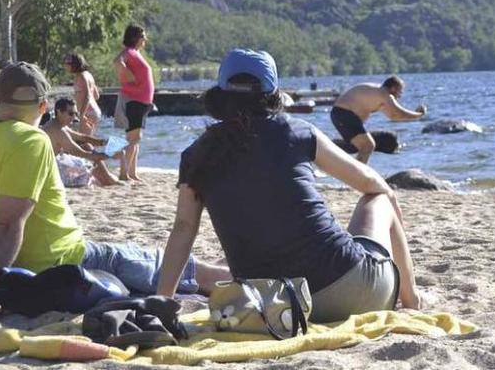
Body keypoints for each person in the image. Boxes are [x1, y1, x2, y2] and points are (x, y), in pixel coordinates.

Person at [156, 49, 426, 323]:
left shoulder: (196, 155)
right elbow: (369, 182)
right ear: (273, 92)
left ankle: (409, 296)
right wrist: (391, 202)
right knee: (380, 198)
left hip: (275, 304)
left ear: (221, 92)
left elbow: (183, 229)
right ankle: (412, 299)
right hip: (351, 292)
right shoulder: (295, 131)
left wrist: (161, 303)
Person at [0, 62, 230, 294]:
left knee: (145, 258)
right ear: (44, 107)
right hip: (65, 262)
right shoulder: (32, 140)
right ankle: (228, 276)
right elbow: (8, 225)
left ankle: (217, 270)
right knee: (153, 262)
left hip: (9, 268)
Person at [331, 77, 426, 164]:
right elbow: (398, 113)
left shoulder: (378, 94)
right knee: (368, 145)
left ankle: (344, 167)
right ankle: (356, 176)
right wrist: (419, 115)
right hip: (344, 114)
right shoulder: (385, 95)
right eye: (400, 92)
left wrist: (416, 115)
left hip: (341, 114)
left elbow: (393, 116)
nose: (399, 96)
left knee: (360, 146)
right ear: (393, 88)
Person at [42, 97, 120, 187]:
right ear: (59, 112)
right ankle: (107, 179)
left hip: (56, 161)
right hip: (52, 170)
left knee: (88, 146)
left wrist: (104, 142)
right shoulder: (58, 130)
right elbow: (84, 154)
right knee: (90, 163)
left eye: (75, 114)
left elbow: (83, 137)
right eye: (70, 113)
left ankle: (107, 178)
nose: (74, 117)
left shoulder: (57, 124)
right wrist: (111, 155)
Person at [113, 25, 154, 182]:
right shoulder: (129, 52)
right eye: (142, 36)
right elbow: (117, 61)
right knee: (132, 138)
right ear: (135, 38)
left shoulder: (136, 53)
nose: (145, 39)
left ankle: (132, 172)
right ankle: (124, 174)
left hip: (141, 101)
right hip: (134, 100)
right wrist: (127, 76)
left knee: (136, 138)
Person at [63, 53, 102, 136]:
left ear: (74, 64)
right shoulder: (88, 75)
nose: (65, 65)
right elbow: (96, 95)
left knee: (85, 142)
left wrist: (81, 114)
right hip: (94, 111)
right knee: (88, 141)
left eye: (67, 63)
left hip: (88, 113)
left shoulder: (81, 76)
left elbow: (88, 96)